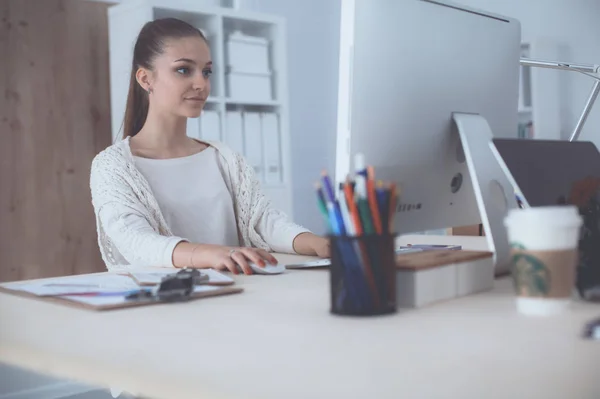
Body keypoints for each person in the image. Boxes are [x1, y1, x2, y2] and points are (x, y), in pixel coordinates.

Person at [90, 18, 329, 275]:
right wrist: (209, 253)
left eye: (206, 71)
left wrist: (317, 243)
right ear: (145, 78)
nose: (201, 84)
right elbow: (135, 241)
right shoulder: (113, 166)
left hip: (235, 299)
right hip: (164, 310)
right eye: (183, 70)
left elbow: (262, 221)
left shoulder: (224, 158)